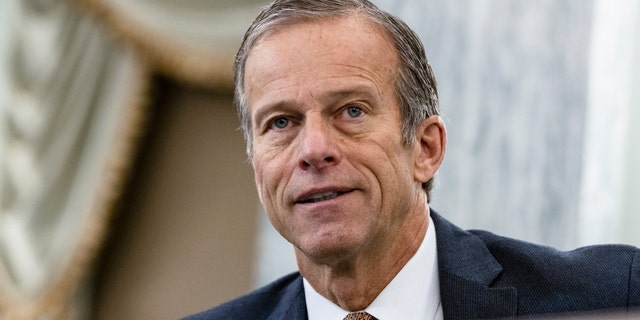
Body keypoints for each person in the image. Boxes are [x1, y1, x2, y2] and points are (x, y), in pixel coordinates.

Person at [184, 0, 640, 319]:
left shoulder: (611, 295)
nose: (313, 150)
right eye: (281, 123)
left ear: (426, 148)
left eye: (351, 111)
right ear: (256, 164)